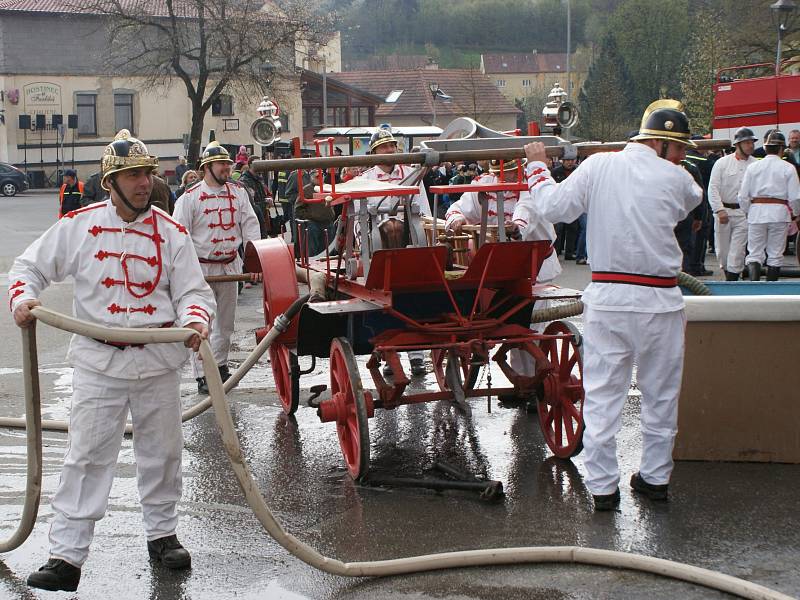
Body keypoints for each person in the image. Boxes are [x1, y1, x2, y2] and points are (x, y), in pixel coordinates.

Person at [9, 129, 216, 592]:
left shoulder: (172, 233)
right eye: (134, 175)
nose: (146, 182)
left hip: (157, 363)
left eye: (147, 173)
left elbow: (193, 293)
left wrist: (196, 321)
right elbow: (28, 267)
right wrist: (24, 299)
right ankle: (66, 555)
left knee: (162, 454)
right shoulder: (79, 226)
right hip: (99, 365)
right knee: (86, 458)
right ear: (112, 182)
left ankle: (163, 535)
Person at [520, 99, 703, 511]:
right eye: (679, 150)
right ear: (660, 145)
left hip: (611, 298)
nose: (682, 157)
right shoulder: (679, 180)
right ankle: (655, 480)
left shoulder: (600, 164)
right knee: (661, 395)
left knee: (603, 395)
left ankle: (603, 488)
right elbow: (690, 194)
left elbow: (553, 207)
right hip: (660, 302)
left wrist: (535, 165)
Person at [173, 141, 262, 394]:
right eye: (222, 164)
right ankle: (202, 374)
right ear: (207, 167)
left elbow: (250, 226)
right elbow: (180, 236)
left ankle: (220, 365)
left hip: (230, 266)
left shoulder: (238, 193)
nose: (227, 168)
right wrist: (184, 272)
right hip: (200, 270)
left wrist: (253, 261)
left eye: (228, 164)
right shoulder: (189, 198)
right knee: (202, 322)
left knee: (225, 322)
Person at [355, 127, 432, 376]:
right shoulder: (365, 178)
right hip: (379, 246)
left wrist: (428, 238)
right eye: (384, 147)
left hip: (411, 241)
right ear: (374, 152)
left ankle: (417, 355)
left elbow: (424, 212)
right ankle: (390, 353)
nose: (390, 150)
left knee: (415, 298)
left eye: (392, 146)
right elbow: (359, 218)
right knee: (384, 303)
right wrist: (364, 243)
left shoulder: (411, 174)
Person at [739, 130, 800, 281]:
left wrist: (749, 211)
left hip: (756, 212)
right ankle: (771, 288)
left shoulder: (753, 167)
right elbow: (795, 197)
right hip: (779, 214)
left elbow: (742, 195)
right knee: (775, 253)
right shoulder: (788, 168)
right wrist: (796, 214)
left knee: (754, 252)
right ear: (781, 149)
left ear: (766, 148)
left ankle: (754, 288)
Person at [708, 127, 757, 280]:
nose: (751, 146)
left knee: (737, 252)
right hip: (724, 211)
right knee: (723, 252)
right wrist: (719, 209)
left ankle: (732, 281)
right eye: (747, 142)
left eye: (752, 142)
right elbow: (713, 188)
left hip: (743, 213)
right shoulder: (722, 163)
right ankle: (728, 273)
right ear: (738, 144)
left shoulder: (755, 165)